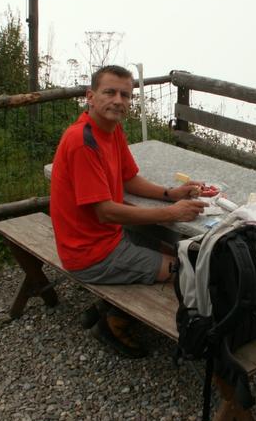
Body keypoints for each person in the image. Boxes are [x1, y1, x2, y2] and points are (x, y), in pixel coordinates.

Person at [50, 65, 206, 358]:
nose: (118, 101)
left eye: (125, 95)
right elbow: (106, 213)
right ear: (90, 97)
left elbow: (129, 178)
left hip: (108, 239)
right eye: (109, 92)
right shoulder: (83, 142)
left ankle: (103, 307)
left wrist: (169, 194)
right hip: (89, 255)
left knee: (175, 248)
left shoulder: (111, 130)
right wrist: (173, 213)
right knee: (184, 270)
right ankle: (113, 323)